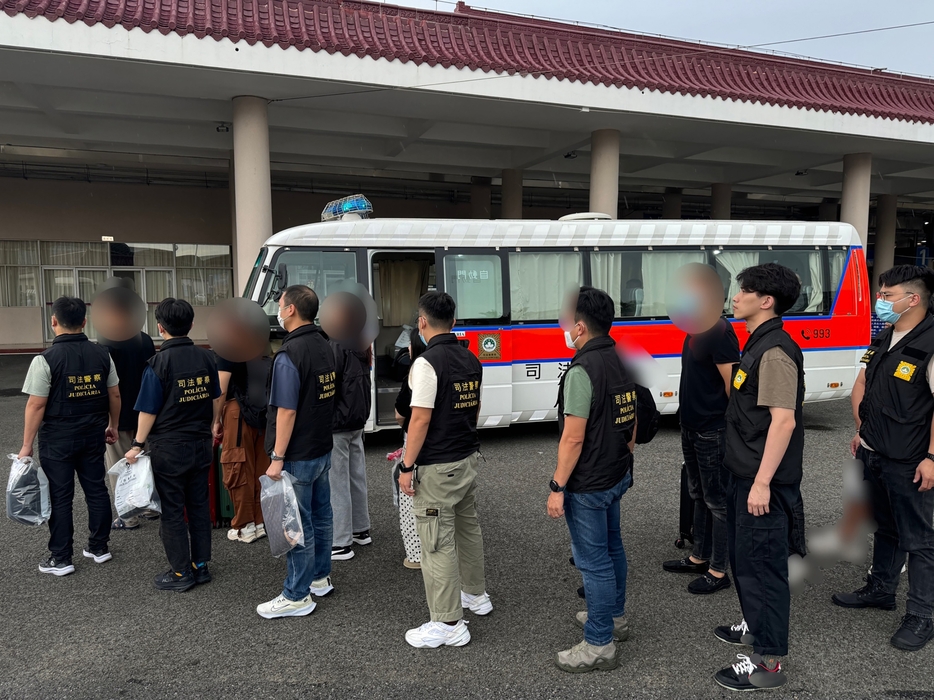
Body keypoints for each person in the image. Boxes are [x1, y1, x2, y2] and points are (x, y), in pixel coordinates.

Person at [832, 264, 934, 652]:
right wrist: (862, 430)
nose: (880, 302)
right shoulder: (886, 336)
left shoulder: (930, 342)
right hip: (874, 450)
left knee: (920, 539)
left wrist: (931, 457)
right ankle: (881, 588)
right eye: (881, 294)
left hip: (910, 458)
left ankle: (922, 615)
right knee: (886, 527)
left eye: (888, 295)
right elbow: (864, 381)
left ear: (914, 299)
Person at [714, 263, 804, 693]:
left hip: (760, 484)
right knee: (746, 563)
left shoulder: (775, 351)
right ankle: (753, 625)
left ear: (765, 301)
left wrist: (763, 482)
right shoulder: (758, 342)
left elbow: (782, 422)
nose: (735, 297)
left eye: (743, 290)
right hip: (745, 475)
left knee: (763, 573)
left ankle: (768, 664)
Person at [547, 286, 636, 673]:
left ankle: (599, 643)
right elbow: (632, 418)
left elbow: (573, 436)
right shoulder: (621, 358)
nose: (563, 327)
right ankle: (614, 617)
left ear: (580, 327)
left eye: (567, 321)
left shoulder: (582, 370)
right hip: (615, 472)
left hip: (589, 482)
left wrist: (557, 486)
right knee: (612, 546)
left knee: (593, 561)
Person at [398, 291, 490, 648]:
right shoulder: (470, 358)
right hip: (466, 457)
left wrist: (407, 466)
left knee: (435, 542)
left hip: (437, 467)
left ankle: (449, 622)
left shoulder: (426, 363)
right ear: (453, 321)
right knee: (467, 529)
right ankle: (475, 596)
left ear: (422, 322)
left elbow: (419, 419)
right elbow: (475, 408)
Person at [125, 298, 223, 592]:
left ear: (160, 328)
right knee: (198, 506)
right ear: (191, 325)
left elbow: (148, 410)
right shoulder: (207, 358)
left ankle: (181, 573)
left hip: (169, 448)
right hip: (200, 444)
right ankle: (200, 566)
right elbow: (217, 395)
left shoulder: (158, 364)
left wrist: (137, 444)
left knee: (172, 510)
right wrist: (213, 424)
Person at [18, 296, 121, 576]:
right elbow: (114, 393)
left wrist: (26, 445)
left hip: (57, 439)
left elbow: (36, 404)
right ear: (84, 322)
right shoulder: (102, 354)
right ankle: (99, 547)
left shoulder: (45, 359)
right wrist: (113, 425)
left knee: (60, 496)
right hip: (92, 435)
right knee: (96, 489)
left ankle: (61, 558)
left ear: (53, 321)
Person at [256, 285, 337, 619]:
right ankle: (319, 577)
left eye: (280, 303)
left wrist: (277, 456)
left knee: (297, 523)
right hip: (321, 446)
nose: (277, 306)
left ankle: (296, 594)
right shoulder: (323, 344)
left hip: (298, 454)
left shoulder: (290, 354)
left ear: (290, 310)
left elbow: (286, 411)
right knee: (321, 515)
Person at [663, 264, 740, 594]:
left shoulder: (721, 333)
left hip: (712, 429)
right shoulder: (694, 329)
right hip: (691, 425)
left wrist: (730, 428)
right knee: (698, 493)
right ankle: (698, 556)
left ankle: (719, 570)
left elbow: (731, 386)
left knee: (717, 501)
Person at [95, 283, 157, 530]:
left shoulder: (106, 342)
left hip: (118, 415)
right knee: (145, 460)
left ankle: (127, 515)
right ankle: (150, 508)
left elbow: (108, 387)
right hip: (146, 413)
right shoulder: (145, 339)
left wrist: (110, 420)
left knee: (120, 464)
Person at [217, 354, 271, 544]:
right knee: (260, 469)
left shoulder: (228, 354)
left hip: (237, 414)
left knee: (237, 467)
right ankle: (259, 522)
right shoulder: (262, 352)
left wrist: (215, 421)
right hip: (264, 416)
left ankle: (244, 525)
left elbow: (221, 390)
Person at [328, 340, 373, 561]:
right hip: (357, 418)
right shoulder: (361, 343)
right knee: (356, 476)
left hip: (338, 421)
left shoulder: (337, 344)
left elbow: (330, 383)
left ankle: (340, 542)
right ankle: (360, 529)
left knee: (337, 482)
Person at [393, 333, 427, 570]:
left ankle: (415, 555)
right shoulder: (456, 363)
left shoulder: (416, 373)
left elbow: (400, 414)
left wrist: (406, 464)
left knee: (410, 499)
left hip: (416, 447)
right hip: (447, 448)